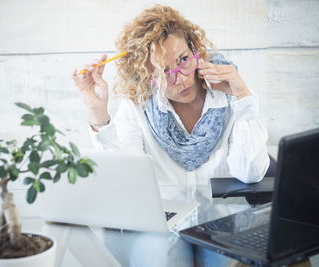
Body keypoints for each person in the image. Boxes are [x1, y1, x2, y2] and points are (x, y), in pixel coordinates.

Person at [72, 4, 270, 266]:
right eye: (164, 72)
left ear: (195, 49)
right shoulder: (136, 106)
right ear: (146, 76)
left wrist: (244, 96)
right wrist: (97, 111)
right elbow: (123, 182)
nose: (181, 79)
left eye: (183, 60)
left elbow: (250, 173)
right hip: (161, 229)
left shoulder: (229, 90)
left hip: (223, 223)